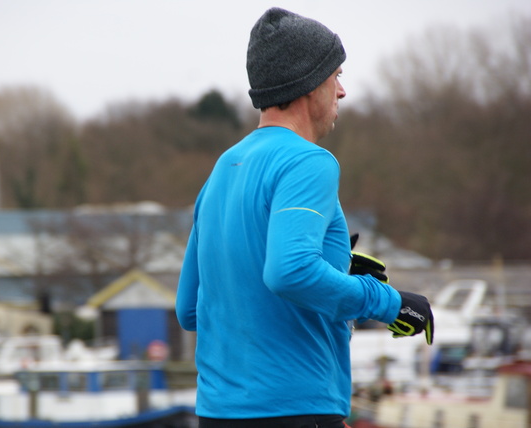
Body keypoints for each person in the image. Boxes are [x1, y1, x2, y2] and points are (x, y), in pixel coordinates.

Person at [175, 7, 433, 428]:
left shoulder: (223, 168)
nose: (342, 91)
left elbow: (190, 309)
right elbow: (290, 271)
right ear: (309, 85)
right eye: (336, 75)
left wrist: (336, 277)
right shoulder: (309, 162)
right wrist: (387, 301)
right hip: (296, 408)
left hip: (217, 414)